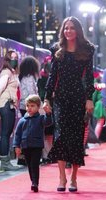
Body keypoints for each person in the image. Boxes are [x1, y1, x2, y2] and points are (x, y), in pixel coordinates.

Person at [43, 16, 95, 192]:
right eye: (66, 28)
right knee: (60, 136)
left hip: (78, 98)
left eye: (72, 28)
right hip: (61, 98)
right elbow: (52, 76)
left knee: (76, 137)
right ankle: (62, 177)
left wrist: (89, 97)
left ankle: (73, 177)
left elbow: (89, 76)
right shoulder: (57, 49)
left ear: (78, 30)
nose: (68, 31)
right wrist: (46, 98)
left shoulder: (87, 49)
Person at [13, 94, 52, 192]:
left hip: (37, 146)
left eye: (32, 106)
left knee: (34, 164)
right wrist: (17, 146)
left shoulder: (41, 118)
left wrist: (48, 114)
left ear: (38, 107)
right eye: (28, 106)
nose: (29, 108)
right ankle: (33, 181)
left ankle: (35, 183)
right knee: (29, 165)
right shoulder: (22, 120)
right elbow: (17, 134)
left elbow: (48, 122)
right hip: (26, 146)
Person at [0, 50, 19, 171]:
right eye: (12, 57)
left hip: (8, 104)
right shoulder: (6, 72)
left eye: (16, 57)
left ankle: (5, 162)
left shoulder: (12, 72)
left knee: (6, 132)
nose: (15, 59)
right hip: (5, 103)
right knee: (5, 133)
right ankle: (5, 162)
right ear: (7, 59)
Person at [37, 56, 53, 164]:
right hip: (45, 104)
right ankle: (47, 155)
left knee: (48, 132)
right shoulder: (42, 78)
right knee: (47, 131)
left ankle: (48, 155)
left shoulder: (42, 77)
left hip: (48, 104)